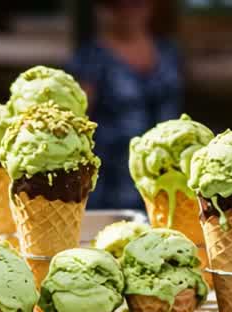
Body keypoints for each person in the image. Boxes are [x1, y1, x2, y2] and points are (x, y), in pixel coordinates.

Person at [68, 0, 182, 209]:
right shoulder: (91, 57)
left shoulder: (168, 52)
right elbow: (76, 121)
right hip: (110, 184)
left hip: (164, 182)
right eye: (120, 4)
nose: (129, 9)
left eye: (137, 3)